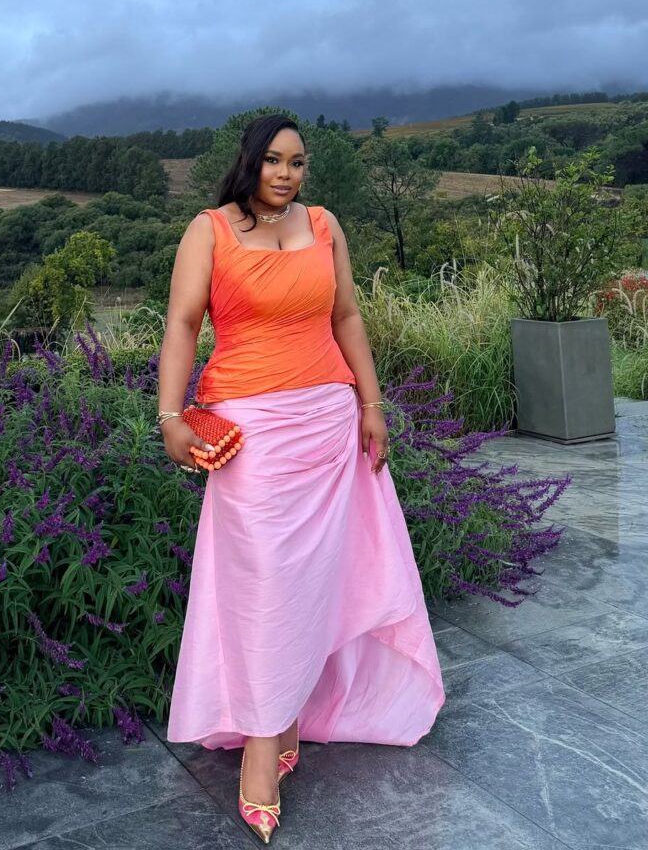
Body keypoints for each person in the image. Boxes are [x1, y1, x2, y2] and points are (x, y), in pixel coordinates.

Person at [158, 113, 446, 843]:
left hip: (328, 423)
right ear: (250, 162)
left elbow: (346, 315)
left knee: (319, 581)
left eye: (298, 162)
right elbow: (183, 325)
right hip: (251, 433)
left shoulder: (323, 225)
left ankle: (281, 721)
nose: (287, 174)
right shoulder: (209, 232)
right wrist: (170, 417)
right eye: (274, 161)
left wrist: (371, 405)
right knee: (265, 586)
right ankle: (262, 746)